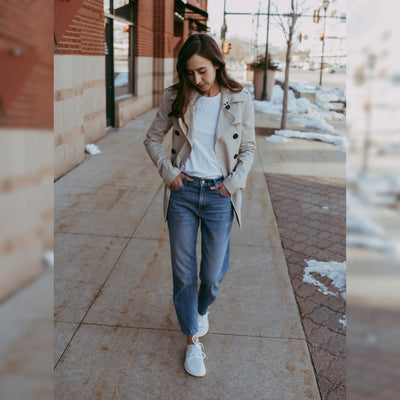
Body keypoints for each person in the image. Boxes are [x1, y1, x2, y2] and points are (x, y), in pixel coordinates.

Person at [143, 33, 256, 377]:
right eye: (190, 73)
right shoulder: (176, 98)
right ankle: (193, 341)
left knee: (212, 276)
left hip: (220, 195)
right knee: (184, 274)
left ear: (217, 65)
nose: (197, 80)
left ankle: (199, 310)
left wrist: (232, 184)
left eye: (203, 71)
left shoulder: (239, 99)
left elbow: (248, 148)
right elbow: (151, 139)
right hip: (184, 194)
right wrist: (169, 173)